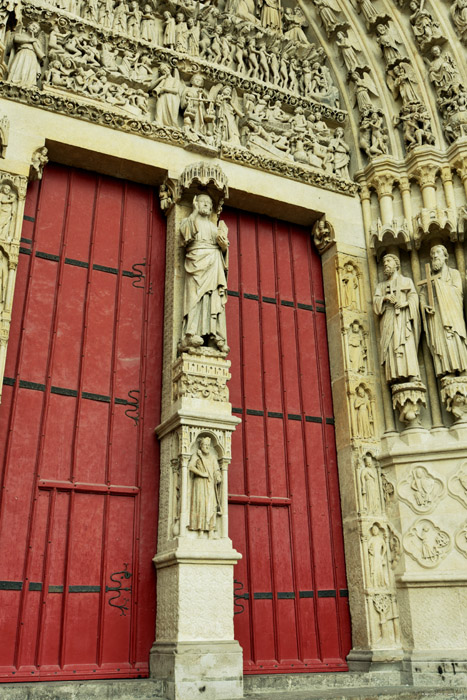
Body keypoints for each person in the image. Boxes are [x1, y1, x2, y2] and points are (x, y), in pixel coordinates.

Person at [180, 193, 229, 352]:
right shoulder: (189, 221)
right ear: (196, 204)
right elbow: (185, 234)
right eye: (203, 202)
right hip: (196, 263)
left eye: (209, 203)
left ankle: (215, 335)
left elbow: (223, 248)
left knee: (212, 298)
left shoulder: (215, 228)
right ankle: (190, 334)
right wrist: (193, 212)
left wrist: (223, 247)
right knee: (195, 297)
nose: (207, 205)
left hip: (213, 264)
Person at [419, 245, 467, 376]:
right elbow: (422, 295)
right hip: (436, 315)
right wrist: (424, 305)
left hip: (451, 314)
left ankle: (462, 369)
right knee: (440, 342)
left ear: (445, 256)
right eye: (432, 253)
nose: (434, 256)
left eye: (438, 252)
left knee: (454, 338)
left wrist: (439, 285)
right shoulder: (429, 278)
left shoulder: (454, 273)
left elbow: (458, 293)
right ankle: (446, 371)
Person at [373, 254, 421, 383]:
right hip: (388, 317)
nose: (386, 264)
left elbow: (414, 297)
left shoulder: (406, 281)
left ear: (396, 264)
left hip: (403, 316)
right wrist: (384, 298)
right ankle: (395, 375)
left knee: (405, 342)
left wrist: (405, 303)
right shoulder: (381, 286)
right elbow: (376, 302)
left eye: (388, 261)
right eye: (384, 262)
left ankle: (412, 373)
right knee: (391, 344)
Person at [188, 436, 221, 532]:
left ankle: (211, 530)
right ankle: (200, 531)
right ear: (200, 446)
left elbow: (216, 470)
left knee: (211, 505)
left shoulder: (213, 457)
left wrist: (218, 476)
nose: (206, 447)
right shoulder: (196, 456)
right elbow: (190, 467)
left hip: (210, 484)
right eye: (205, 445)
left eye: (208, 445)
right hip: (199, 484)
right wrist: (202, 474)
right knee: (201, 505)